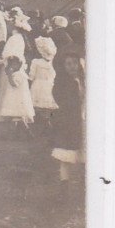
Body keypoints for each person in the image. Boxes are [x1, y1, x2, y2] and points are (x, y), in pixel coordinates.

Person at [51, 47, 85, 184]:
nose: (72, 67)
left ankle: (82, 180)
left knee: (83, 150)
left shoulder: (83, 81)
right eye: (68, 64)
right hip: (69, 121)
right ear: (63, 66)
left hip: (83, 119)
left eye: (75, 63)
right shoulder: (62, 84)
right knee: (65, 153)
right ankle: (64, 182)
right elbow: (61, 100)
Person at [29, 36, 59, 133]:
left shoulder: (36, 62)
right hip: (49, 86)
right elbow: (54, 75)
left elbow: (31, 76)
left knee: (37, 107)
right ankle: (47, 123)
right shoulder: (53, 63)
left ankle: (40, 125)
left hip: (37, 86)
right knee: (47, 107)